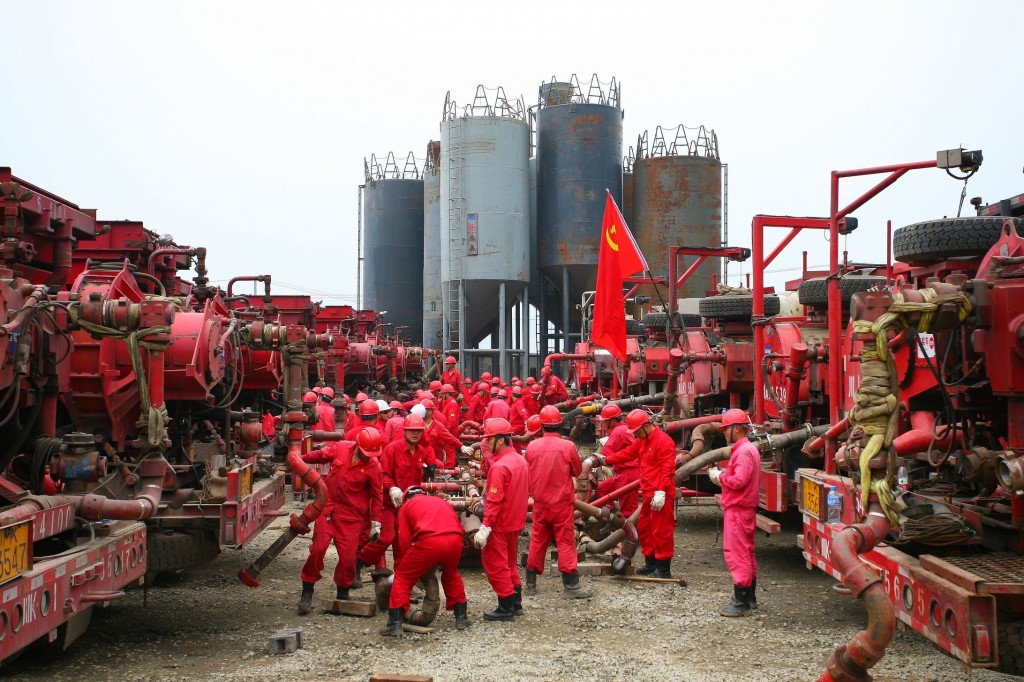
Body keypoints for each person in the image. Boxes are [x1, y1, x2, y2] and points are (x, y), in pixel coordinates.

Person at [297, 427, 384, 615]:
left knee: (348, 558)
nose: (368, 456)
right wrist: (300, 459)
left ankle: (343, 593)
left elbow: (377, 496)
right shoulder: (341, 448)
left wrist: (376, 523)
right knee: (318, 549)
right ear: (358, 445)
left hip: (351, 516)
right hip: (327, 507)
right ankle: (307, 591)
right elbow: (321, 455)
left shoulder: (374, 466)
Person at [380, 487, 471, 636]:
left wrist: (412, 564)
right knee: (451, 574)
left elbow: (404, 543)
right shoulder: (440, 501)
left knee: (403, 578)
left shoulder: (406, 507)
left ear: (406, 498)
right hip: (455, 540)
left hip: (430, 541)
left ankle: (394, 623)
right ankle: (461, 617)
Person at [524, 406, 592, 599]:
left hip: (540, 504)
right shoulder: (567, 447)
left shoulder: (532, 447)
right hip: (561, 505)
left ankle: (530, 585)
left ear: (542, 426)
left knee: (537, 540)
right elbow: (577, 472)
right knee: (565, 542)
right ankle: (571, 587)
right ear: (560, 425)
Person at [359, 414, 437, 572]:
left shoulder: (421, 452)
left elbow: (418, 479)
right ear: (405, 430)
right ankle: (358, 563)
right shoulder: (392, 449)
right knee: (385, 537)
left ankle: (400, 580)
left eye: (419, 431)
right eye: (412, 430)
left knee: (404, 544)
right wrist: (392, 487)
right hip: (388, 504)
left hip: (407, 507)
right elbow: (383, 474)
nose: (415, 434)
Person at [473, 418, 529, 621]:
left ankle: (505, 607)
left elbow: (494, 501)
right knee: (510, 563)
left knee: (496, 564)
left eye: (489, 439)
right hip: (515, 521)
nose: (486, 444)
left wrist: (486, 526)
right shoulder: (520, 461)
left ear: (500, 440)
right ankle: (516, 603)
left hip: (500, 523)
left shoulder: (500, 467)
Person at [709, 408, 760, 616]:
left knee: (737, 554)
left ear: (737, 429)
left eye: (726, 429)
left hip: (738, 510)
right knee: (746, 553)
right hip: (742, 509)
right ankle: (749, 596)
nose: (723, 432)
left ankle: (742, 602)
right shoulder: (747, 449)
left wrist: (719, 477)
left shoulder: (743, 452)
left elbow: (739, 481)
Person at [614, 410, 677, 578]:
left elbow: (667, 469)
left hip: (659, 494)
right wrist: (606, 459)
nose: (634, 436)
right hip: (650, 494)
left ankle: (663, 569)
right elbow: (628, 453)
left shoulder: (664, 442)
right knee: (645, 528)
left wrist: (661, 492)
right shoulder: (642, 440)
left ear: (647, 426)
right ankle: (651, 564)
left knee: (661, 530)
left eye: (636, 432)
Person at [587, 404, 639, 517]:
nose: (604, 424)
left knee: (628, 509)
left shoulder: (619, 431)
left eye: (606, 421)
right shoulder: (621, 429)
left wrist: (591, 461)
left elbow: (607, 451)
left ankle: (629, 531)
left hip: (629, 473)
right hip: (624, 472)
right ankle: (610, 515)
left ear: (614, 420)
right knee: (602, 489)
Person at [421, 399, 463, 468]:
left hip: (432, 459)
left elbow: (450, 438)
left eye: (425, 410)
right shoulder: (417, 423)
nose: (422, 412)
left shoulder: (438, 426)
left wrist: (462, 446)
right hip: (417, 458)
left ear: (431, 411)